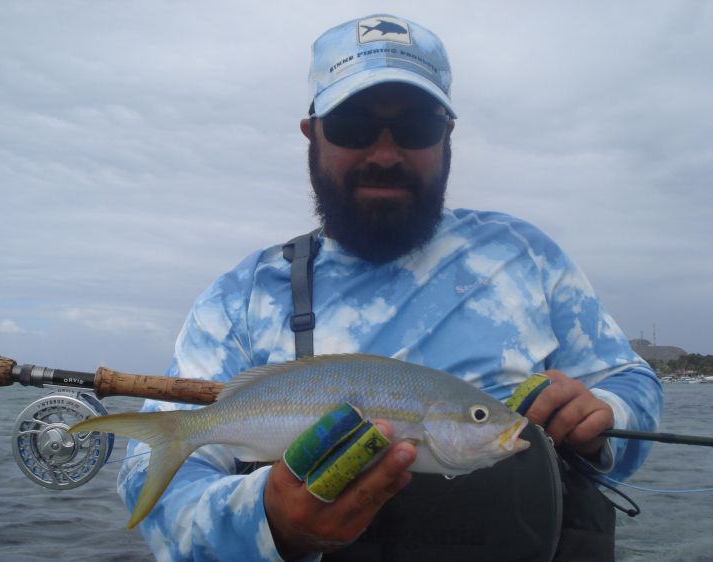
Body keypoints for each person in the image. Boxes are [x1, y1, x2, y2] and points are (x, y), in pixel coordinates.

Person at [118, 14, 662, 562]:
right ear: (313, 135)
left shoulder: (525, 257)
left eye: (416, 127)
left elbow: (630, 381)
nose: (384, 153)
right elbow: (154, 482)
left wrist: (605, 415)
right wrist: (269, 521)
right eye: (354, 125)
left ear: (447, 135)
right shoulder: (242, 299)